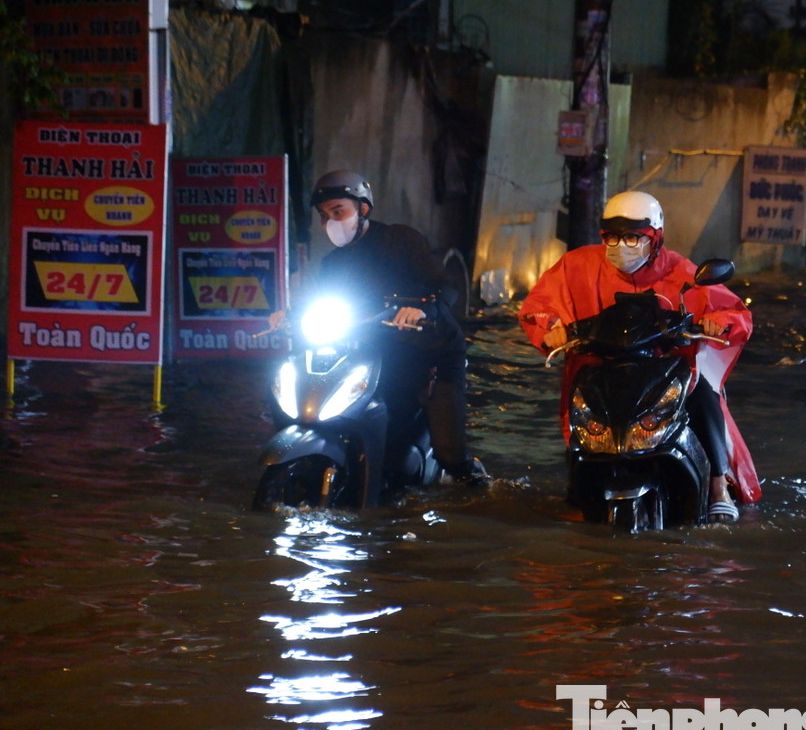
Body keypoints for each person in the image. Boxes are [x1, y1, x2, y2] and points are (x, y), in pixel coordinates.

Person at [517, 190, 760, 523]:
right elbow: (538, 307)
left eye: (633, 237)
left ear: (655, 238)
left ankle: (718, 488)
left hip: (663, 370)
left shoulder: (681, 272)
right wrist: (551, 326)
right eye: (613, 237)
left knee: (703, 394)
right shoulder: (578, 265)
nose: (621, 246)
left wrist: (716, 322)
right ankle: (580, 487)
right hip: (602, 368)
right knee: (582, 414)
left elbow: (735, 313)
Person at [273, 170, 486, 485]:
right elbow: (320, 301)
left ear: (363, 209)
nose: (330, 222)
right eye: (324, 215)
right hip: (373, 356)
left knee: (449, 451)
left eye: (338, 212)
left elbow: (445, 285)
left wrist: (422, 307)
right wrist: (290, 316)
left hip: (429, 355)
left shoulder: (401, 240)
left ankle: (473, 481)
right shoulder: (332, 264)